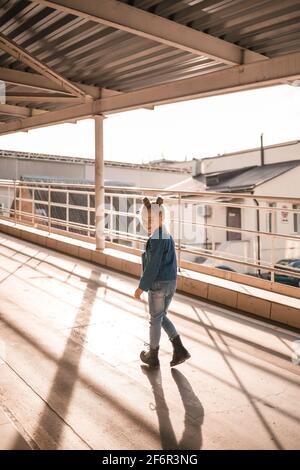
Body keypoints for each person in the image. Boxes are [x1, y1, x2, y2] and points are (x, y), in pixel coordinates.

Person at [134, 195, 191, 368]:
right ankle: (179, 349)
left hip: (158, 284)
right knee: (161, 316)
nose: (149, 223)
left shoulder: (157, 238)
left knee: (155, 319)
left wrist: (141, 287)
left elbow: (153, 266)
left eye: (153, 219)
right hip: (170, 283)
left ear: (161, 217)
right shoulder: (167, 235)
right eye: (147, 219)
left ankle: (153, 354)